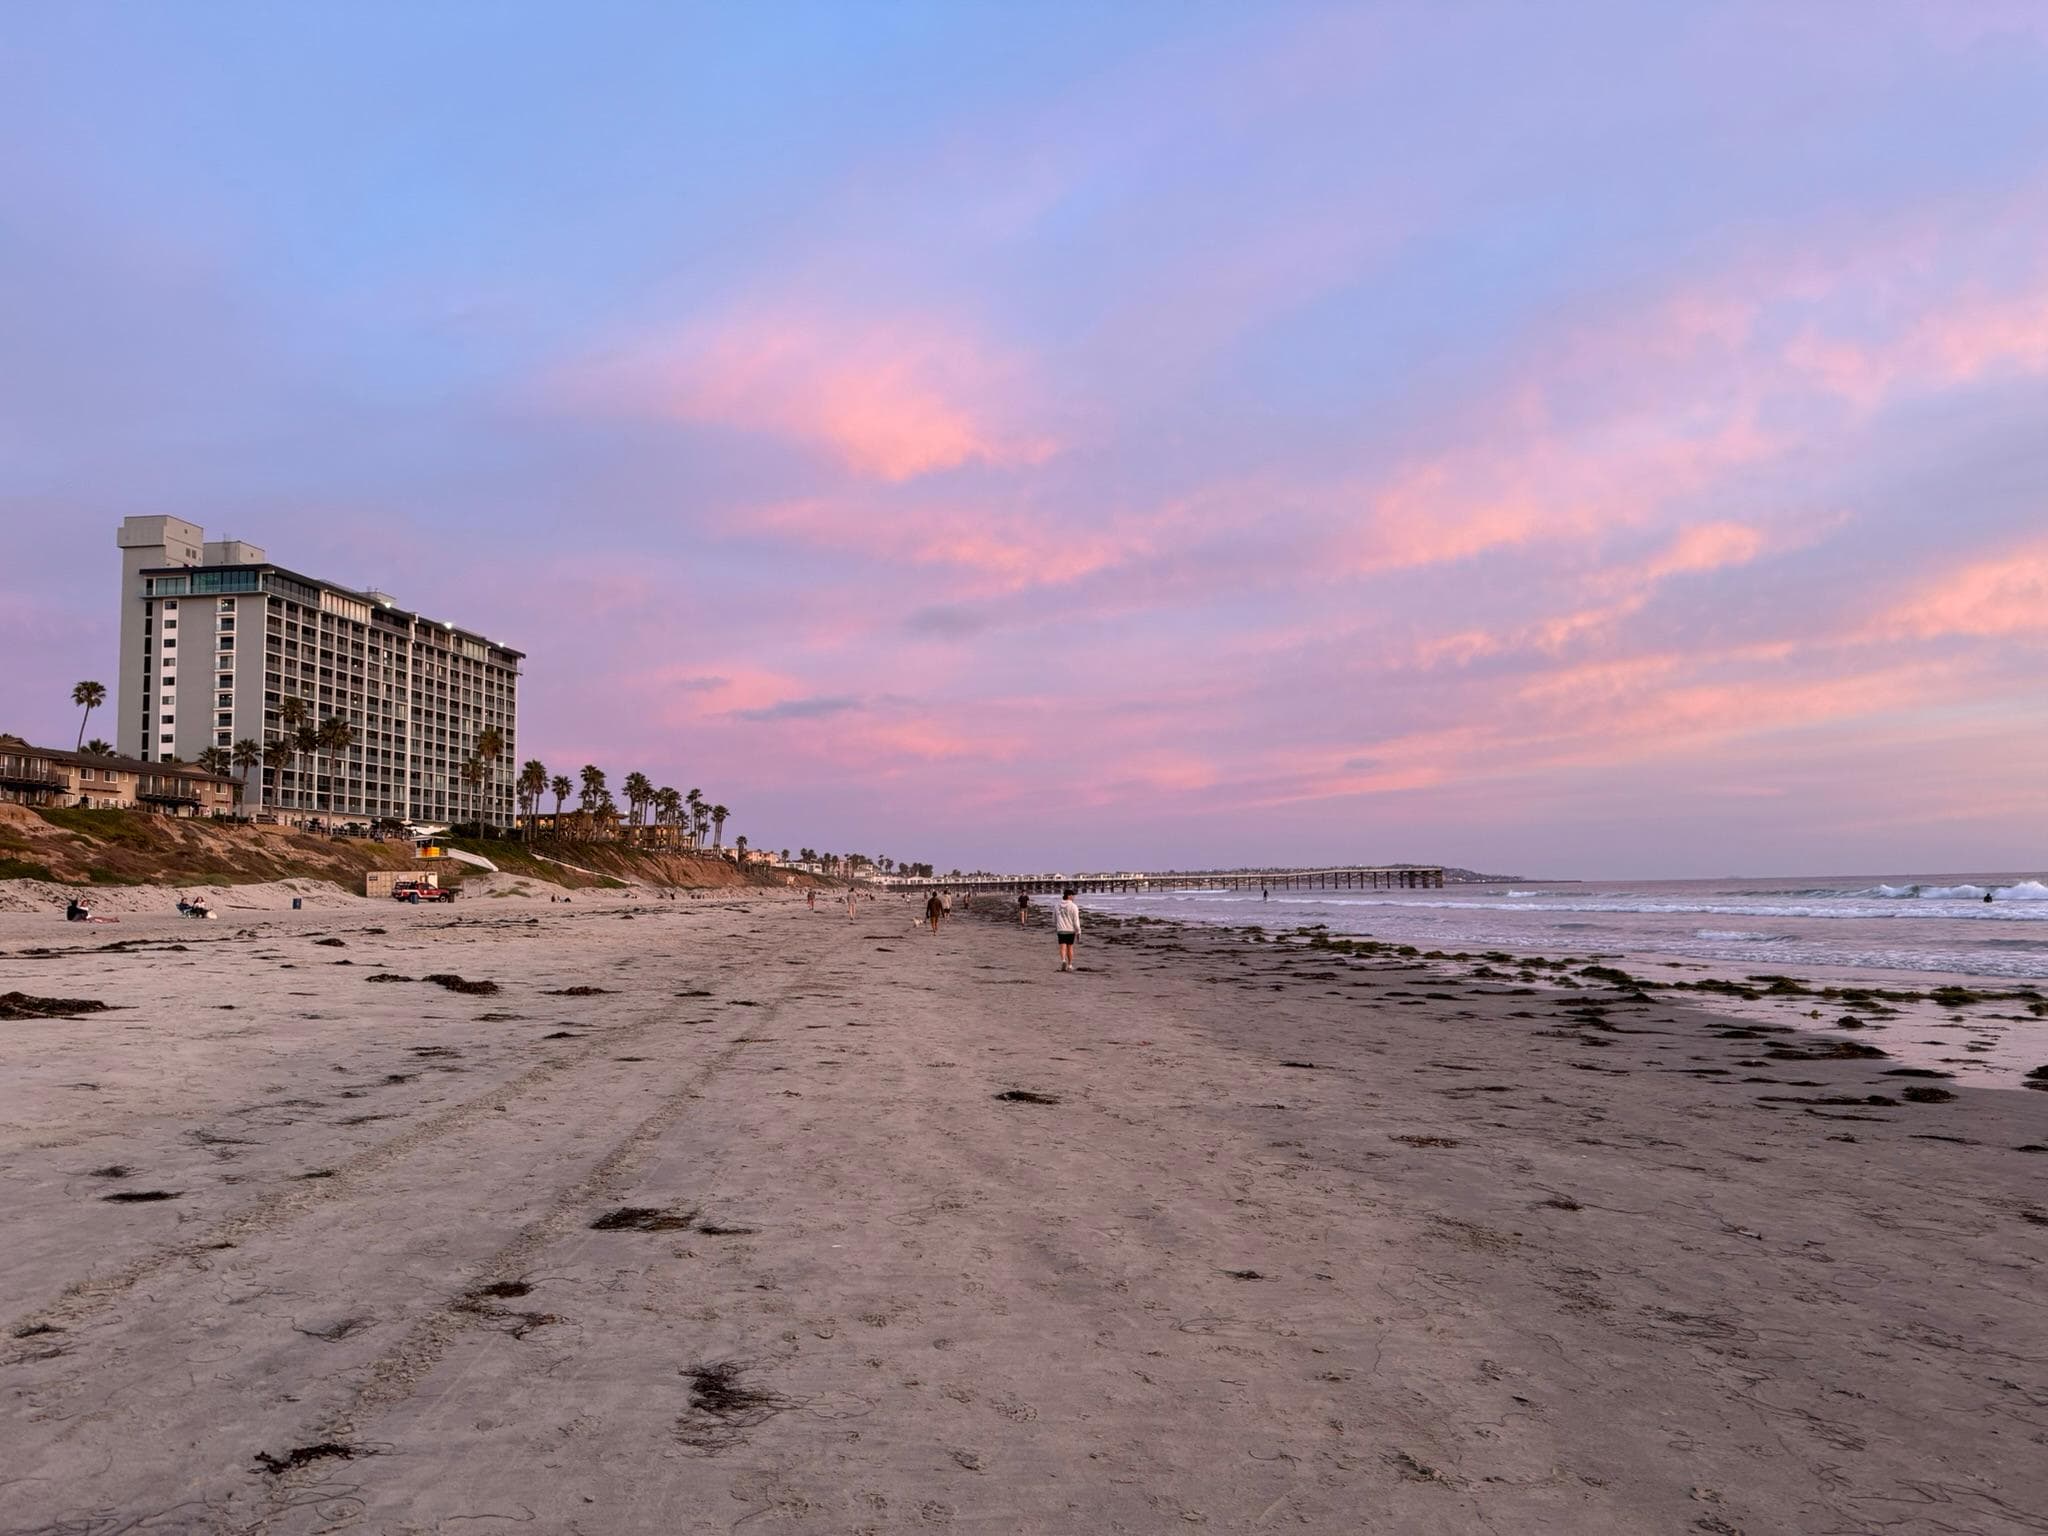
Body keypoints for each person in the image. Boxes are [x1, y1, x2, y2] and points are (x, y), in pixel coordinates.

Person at [1055, 888, 1081, 972]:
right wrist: (1078, 931)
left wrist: (1057, 926)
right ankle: (1070, 965)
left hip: (1061, 929)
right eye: (1073, 895)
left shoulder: (1057, 905)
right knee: (1070, 947)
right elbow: (1076, 920)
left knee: (1062, 946)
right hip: (1070, 929)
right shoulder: (1073, 906)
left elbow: (1054, 918)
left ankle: (1063, 960)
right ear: (1069, 896)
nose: (1074, 897)